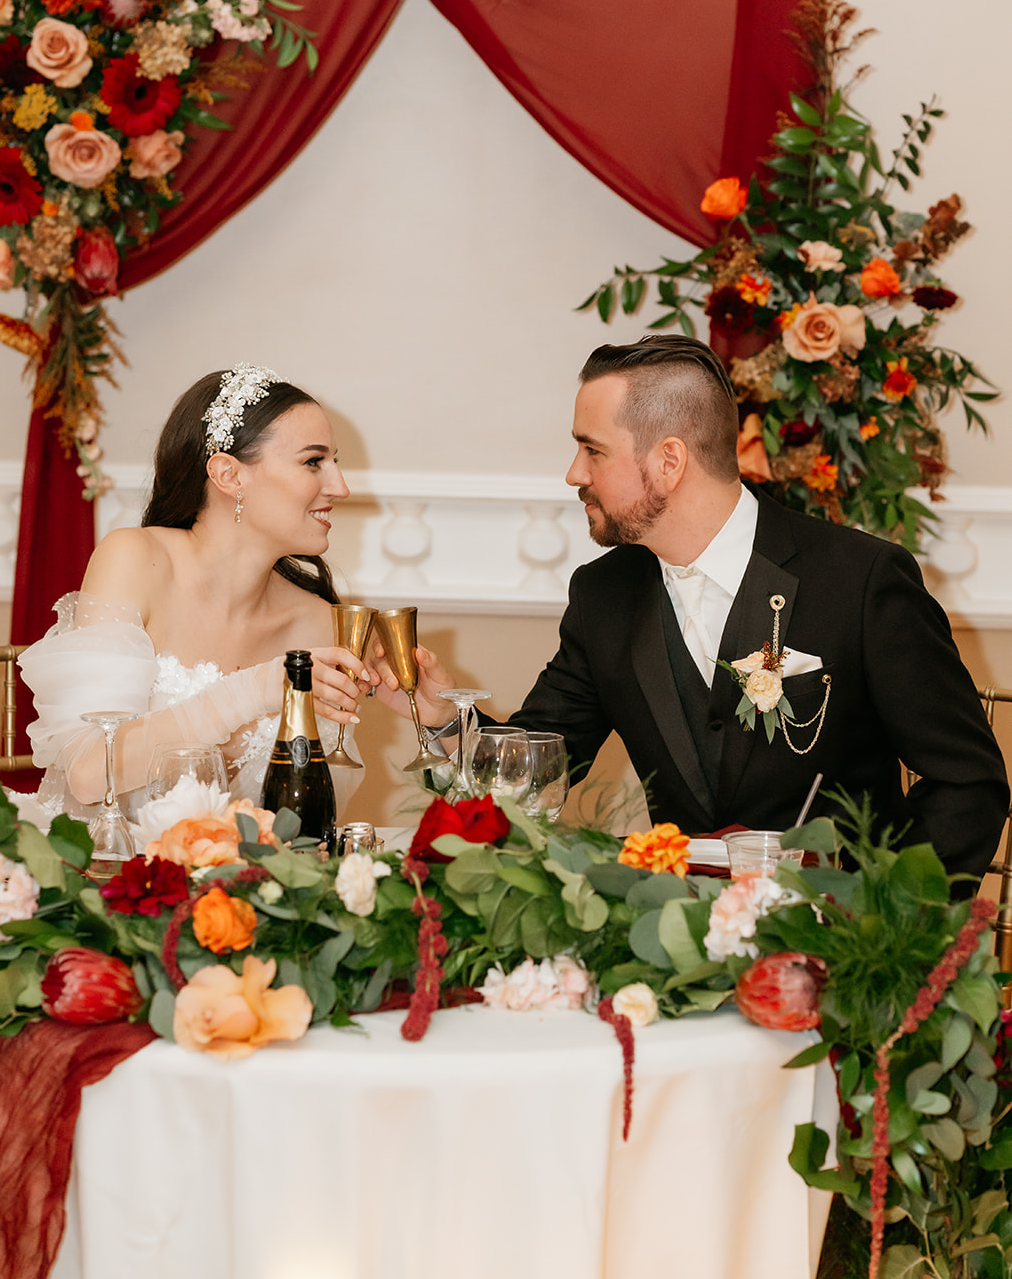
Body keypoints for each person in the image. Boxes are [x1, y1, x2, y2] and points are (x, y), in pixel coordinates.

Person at [401, 335, 1008, 881]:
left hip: (838, 954)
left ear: (669, 461)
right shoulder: (602, 596)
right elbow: (538, 769)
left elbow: (969, 784)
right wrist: (441, 719)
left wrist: (883, 927)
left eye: (593, 450)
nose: (572, 474)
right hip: (669, 949)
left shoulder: (861, 580)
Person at [19, 363, 370, 817]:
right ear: (229, 475)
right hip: (103, 872)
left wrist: (435, 719)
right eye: (313, 462)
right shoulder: (135, 560)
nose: (339, 487)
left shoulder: (319, 621)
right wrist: (255, 689)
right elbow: (88, 773)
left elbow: (309, 823)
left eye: (334, 462)